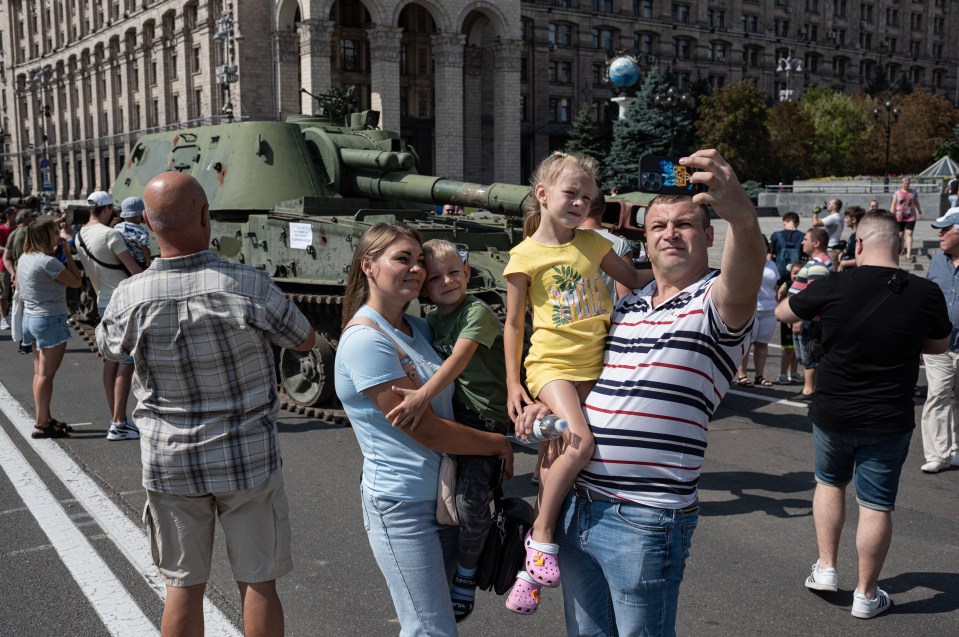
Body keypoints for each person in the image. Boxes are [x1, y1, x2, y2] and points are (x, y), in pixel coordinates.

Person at [537, 149, 764, 636]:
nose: (670, 233)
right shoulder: (628, 305)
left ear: (708, 236)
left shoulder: (715, 302)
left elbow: (746, 272)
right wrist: (545, 406)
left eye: (684, 224)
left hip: (643, 520)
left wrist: (742, 216)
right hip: (579, 503)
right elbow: (585, 377)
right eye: (658, 225)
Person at [97, 171, 315, 637]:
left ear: (150, 226)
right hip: (247, 461)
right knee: (258, 583)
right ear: (204, 216)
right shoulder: (247, 283)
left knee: (183, 585)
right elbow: (305, 338)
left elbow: (109, 348)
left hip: (170, 462)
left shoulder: (129, 296)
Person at [333, 222, 514, 635]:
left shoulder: (419, 327)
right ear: (369, 266)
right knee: (430, 629)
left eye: (419, 261)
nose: (416, 269)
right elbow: (427, 430)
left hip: (443, 499)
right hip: (403, 506)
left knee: (437, 624)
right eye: (402, 259)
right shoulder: (366, 340)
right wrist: (497, 444)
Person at [775, 211, 950, 619]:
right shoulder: (926, 292)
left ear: (858, 244)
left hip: (833, 409)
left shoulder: (833, 283)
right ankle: (866, 595)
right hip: (888, 415)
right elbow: (939, 347)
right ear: (897, 245)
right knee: (875, 505)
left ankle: (826, 568)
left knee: (829, 483)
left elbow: (785, 313)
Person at [502, 151, 650, 614]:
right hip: (552, 366)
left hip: (594, 364)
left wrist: (687, 270)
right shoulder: (524, 254)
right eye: (571, 193)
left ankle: (529, 574)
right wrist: (513, 385)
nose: (580, 203)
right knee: (579, 443)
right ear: (543, 195)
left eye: (588, 197)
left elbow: (636, 279)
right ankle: (543, 535)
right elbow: (512, 325)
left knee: (555, 457)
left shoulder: (594, 243)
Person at [382, 238, 510, 623]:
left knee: (471, 503)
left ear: (468, 273)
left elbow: (458, 358)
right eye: (436, 278)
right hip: (454, 413)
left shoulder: (477, 311)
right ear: (425, 288)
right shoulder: (430, 320)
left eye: (455, 272)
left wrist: (422, 395)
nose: (448, 281)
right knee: (444, 500)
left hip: (483, 418)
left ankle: (467, 576)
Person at [75, 190, 143, 441]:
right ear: (105, 210)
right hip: (122, 301)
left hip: (103, 301)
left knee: (111, 361)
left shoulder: (79, 235)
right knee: (127, 362)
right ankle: (119, 423)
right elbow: (134, 270)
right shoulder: (111, 235)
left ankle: (116, 417)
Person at [17, 216, 82, 438]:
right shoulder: (49, 262)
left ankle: (44, 417)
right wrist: (69, 254)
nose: (58, 236)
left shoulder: (25, 258)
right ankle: (41, 424)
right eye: (55, 233)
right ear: (47, 237)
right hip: (50, 319)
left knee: (39, 373)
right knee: (46, 375)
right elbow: (76, 281)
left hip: (31, 319)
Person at [919, 209, 959, 473]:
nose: (939, 233)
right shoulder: (936, 261)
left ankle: (956, 450)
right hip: (939, 345)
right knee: (937, 396)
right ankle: (937, 454)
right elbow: (925, 300)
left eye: (945, 228)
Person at [789, 227, 833, 400]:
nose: (802, 242)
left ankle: (809, 390)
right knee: (808, 355)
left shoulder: (818, 266)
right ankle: (810, 388)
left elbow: (813, 297)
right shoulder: (818, 263)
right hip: (808, 319)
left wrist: (800, 317)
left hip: (809, 320)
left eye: (806, 239)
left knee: (810, 354)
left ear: (816, 243)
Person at [736, 236, 780, 387]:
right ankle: (742, 375)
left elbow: (774, 286)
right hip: (752, 309)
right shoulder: (745, 264)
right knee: (747, 343)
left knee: (762, 344)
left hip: (769, 309)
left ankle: (759, 376)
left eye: (764, 246)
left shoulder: (771, 264)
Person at [578, 189, 634, 300]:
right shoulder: (619, 244)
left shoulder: (564, 240)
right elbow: (626, 296)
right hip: (608, 316)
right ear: (604, 208)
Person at [776, 261, 805, 385]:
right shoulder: (787, 284)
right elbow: (780, 294)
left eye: (799, 273)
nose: (796, 276)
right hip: (788, 321)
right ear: (790, 273)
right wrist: (782, 309)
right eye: (794, 273)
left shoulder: (805, 285)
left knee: (796, 350)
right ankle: (783, 374)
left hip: (799, 321)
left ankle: (793, 373)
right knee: (788, 349)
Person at [890, 178, 923, 262]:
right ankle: (901, 249)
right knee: (900, 234)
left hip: (911, 215)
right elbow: (893, 204)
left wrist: (919, 211)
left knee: (909, 233)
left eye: (908, 183)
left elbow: (916, 202)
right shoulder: (897, 193)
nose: (906, 185)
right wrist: (891, 214)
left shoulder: (913, 192)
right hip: (899, 215)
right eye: (905, 183)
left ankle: (909, 253)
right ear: (902, 183)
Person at [114, 196, 152, 269]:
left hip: (122, 261)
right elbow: (145, 249)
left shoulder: (117, 227)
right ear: (140, 215)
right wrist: (149, 264)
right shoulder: (142, 231)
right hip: (140, 263)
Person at [770, 211, 804, 283]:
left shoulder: (776, 236)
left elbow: (769, 255)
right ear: (797, 223)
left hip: (779, 275)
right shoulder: (804, 236)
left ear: (784, 222)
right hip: (797, 276)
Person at [838, 205, 866, 271]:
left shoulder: (859, 236)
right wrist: (843, 254)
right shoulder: (853, 235)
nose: (844, 220)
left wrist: (844, 263)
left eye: (846, 218)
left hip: (852, 272)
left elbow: (862, 258)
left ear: (853, 220)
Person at [0, 207, 15, 329]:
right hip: (3, 265)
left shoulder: (19, 229)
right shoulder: (1, 229)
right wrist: (10, 251)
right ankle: (3, 318)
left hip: (19, 264)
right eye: (14, 214)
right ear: (8, 216)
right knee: (3, 294)